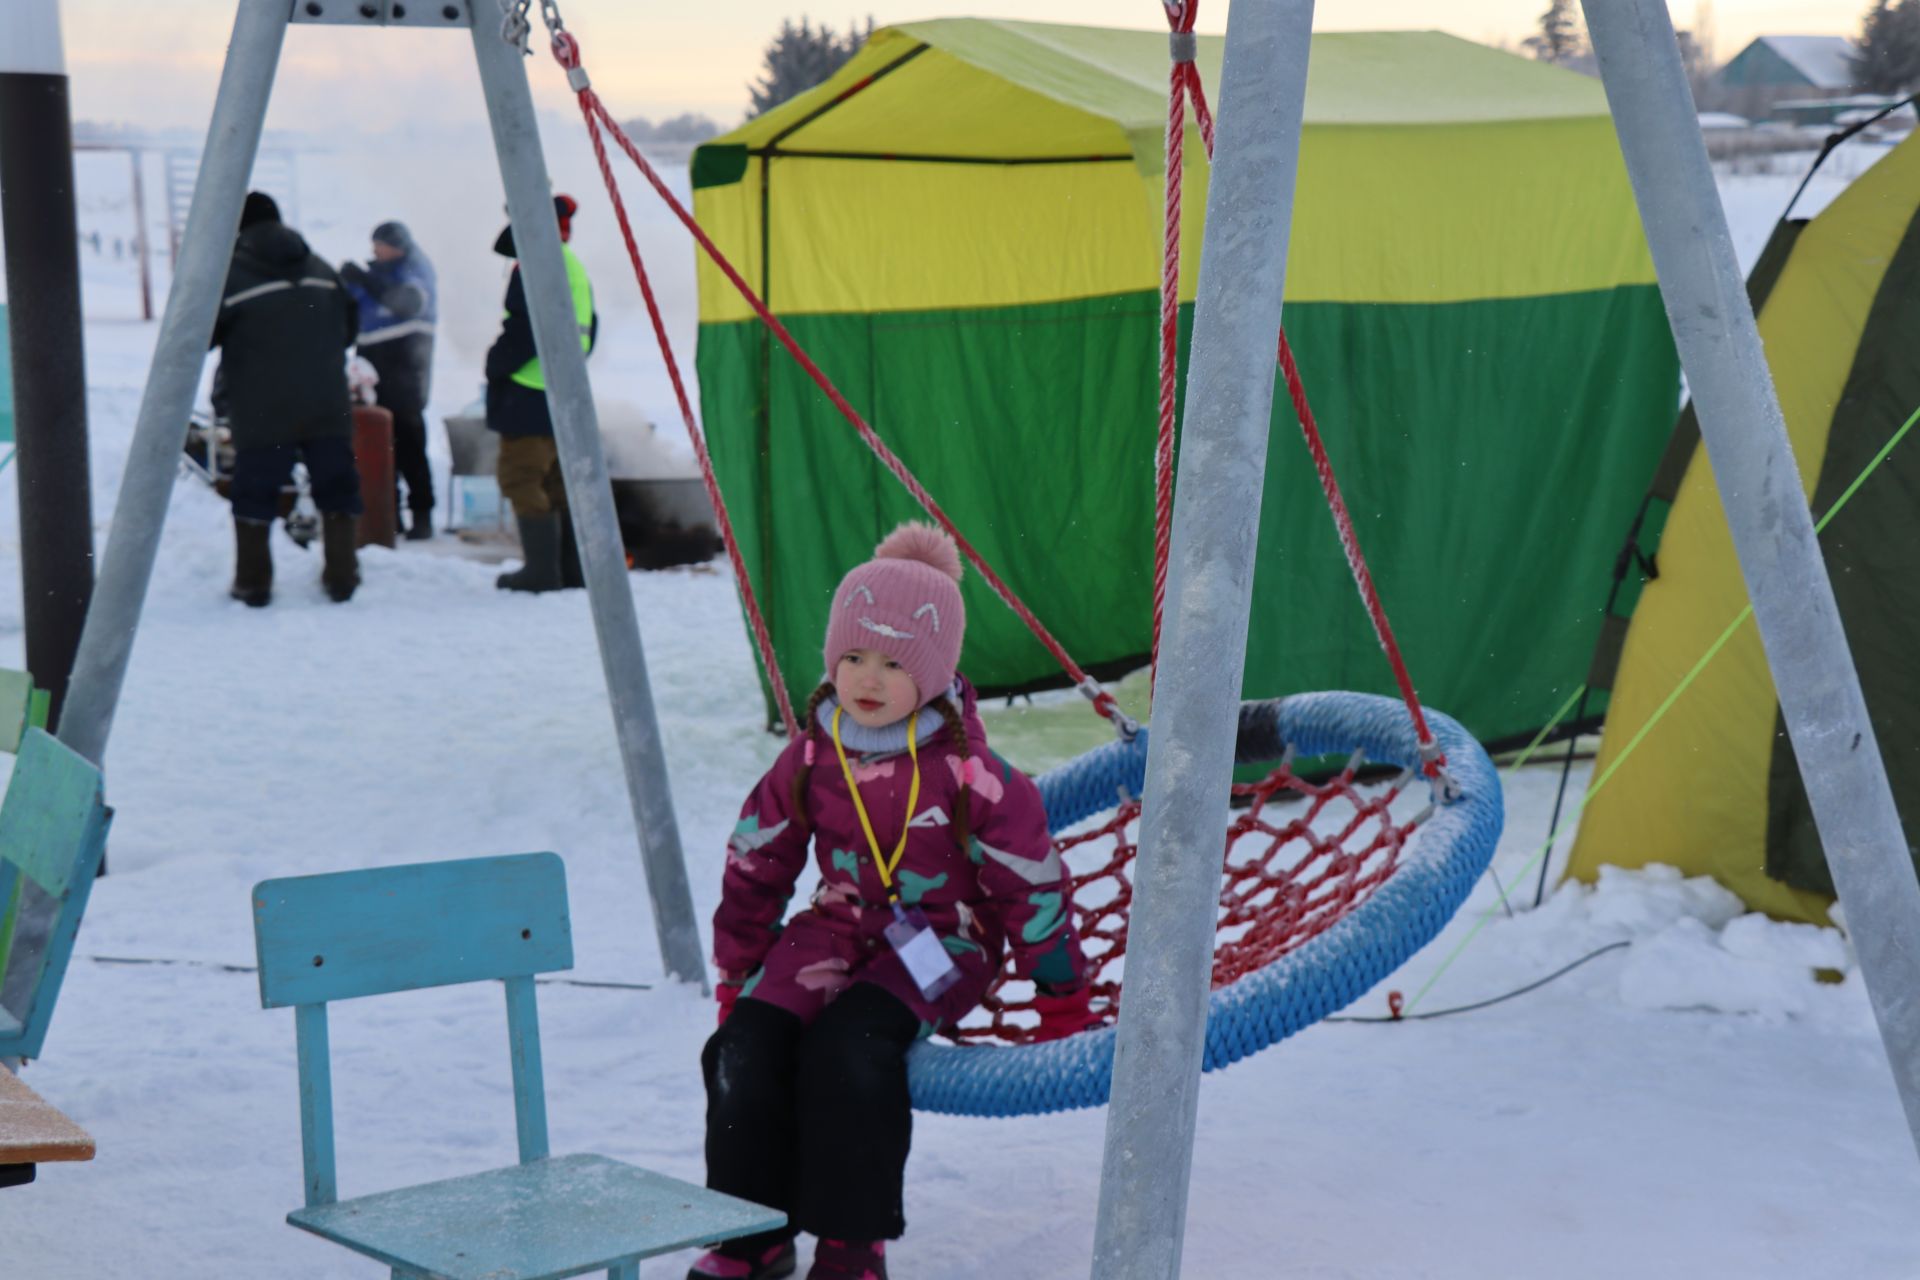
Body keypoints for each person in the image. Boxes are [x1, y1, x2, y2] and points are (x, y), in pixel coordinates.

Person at [692, 524, 1099, 1280]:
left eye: (892, 662)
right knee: (743, 1051)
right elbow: (758, 858)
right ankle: (751, 1232)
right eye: (853, 657)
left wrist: (1059, 988)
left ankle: (851, 1243)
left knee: (850, 1052)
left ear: (936, 673)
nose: (867, 679)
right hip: (834, 928)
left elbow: (1029, 875)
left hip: (943, 943)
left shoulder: (969, 772)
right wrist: (739, 975)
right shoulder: (813, 753)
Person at [213, 191, 361, 606]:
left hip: (261, 408)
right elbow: (350, 329)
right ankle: (342, 577)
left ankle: (253, 583)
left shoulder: (229, 277)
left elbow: (200, 337)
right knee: (336, 485)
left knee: (255, 493)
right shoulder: (322, 269)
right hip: (326, 403)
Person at [484, 193, 596, 592]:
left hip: (528, 389)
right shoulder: (570, 262)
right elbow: (590, 328)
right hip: (561, 388)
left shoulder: (538, 262)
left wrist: (495, 364)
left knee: (521, 477)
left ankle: (542, 572)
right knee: (554, 480)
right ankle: (569, 569)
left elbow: (524, 327)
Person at [341, 220, 438, 539]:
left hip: (407, 366)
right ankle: (387, 515)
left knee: (410, 442)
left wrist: (365, 281)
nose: (375, 251)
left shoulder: (414, 270)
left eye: (380, 244)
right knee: (376, 444)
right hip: (373, 367)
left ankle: (422, 514)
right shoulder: (372, 276)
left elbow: (409, 303)